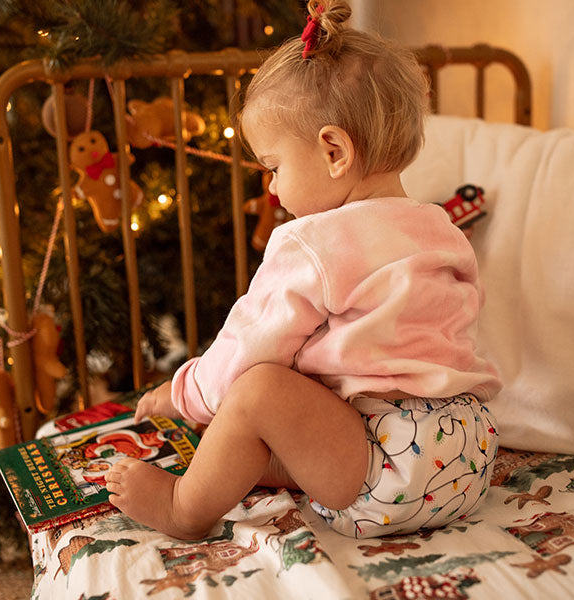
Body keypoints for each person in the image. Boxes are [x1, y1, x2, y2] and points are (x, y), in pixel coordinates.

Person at [105, 0, 501, 540]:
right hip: (469, 453)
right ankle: (272, 463)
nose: (270, 188)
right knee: (297, 391)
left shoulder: (313, 241)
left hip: (390, 468)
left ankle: (183, 508)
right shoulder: (439, 227)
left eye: (274, 166)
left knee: (259, 388)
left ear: (334, 150)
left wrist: (181, 395)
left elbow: (247, 348)